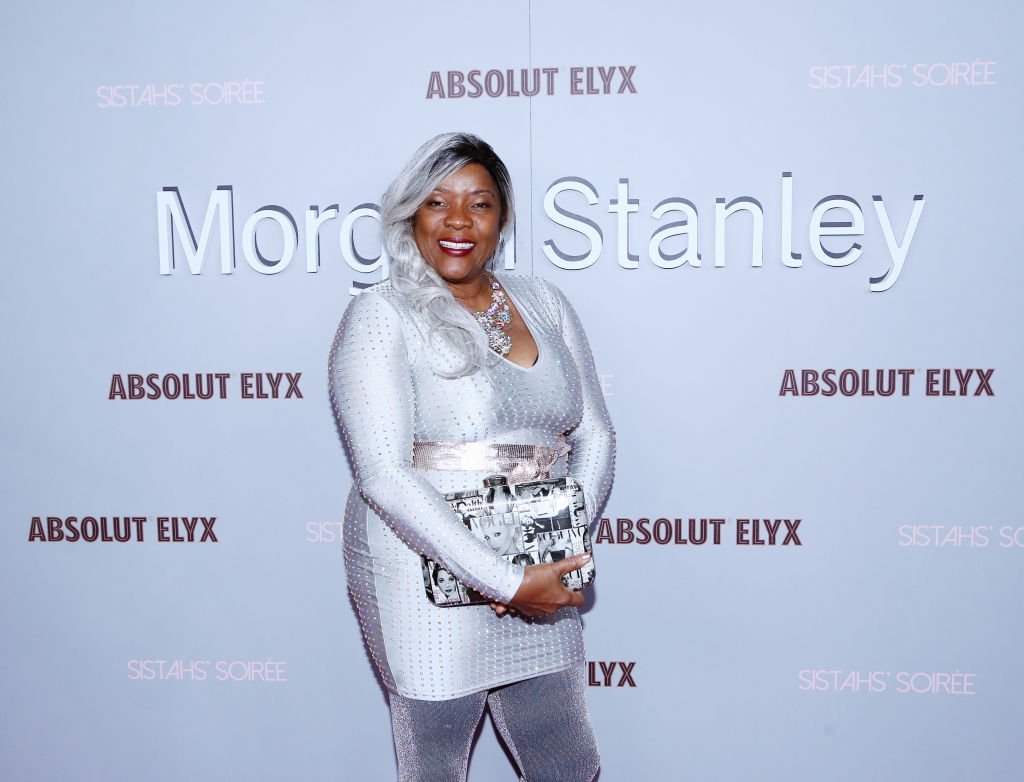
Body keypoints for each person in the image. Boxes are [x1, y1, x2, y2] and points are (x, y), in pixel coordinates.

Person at [328, 132, 615, 782]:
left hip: (540, 571)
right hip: (422, 571)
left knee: (569, 765)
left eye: (479, 203)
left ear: (503, 217)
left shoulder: (545, 302)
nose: (458, 222)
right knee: (436, 769)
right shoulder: (381, 316)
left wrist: (554, 554)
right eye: (438, 202)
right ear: (411, 216)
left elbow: (596, 434)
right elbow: (384, 475)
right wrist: (502, 580)